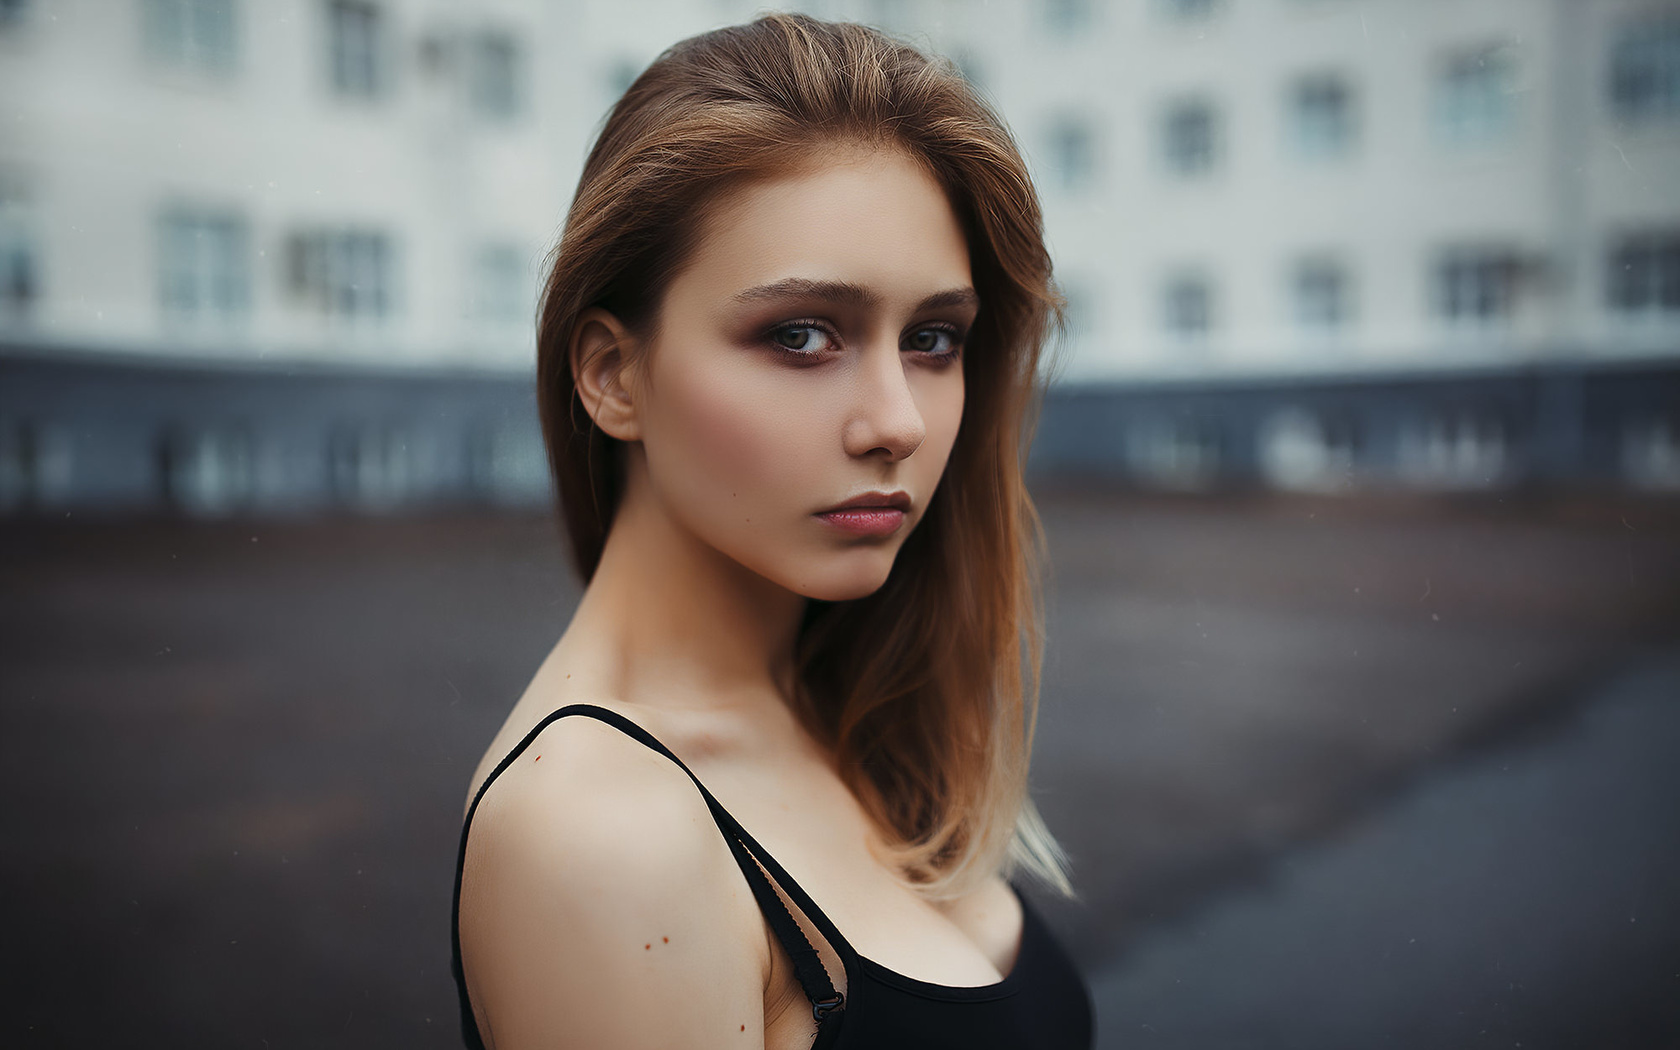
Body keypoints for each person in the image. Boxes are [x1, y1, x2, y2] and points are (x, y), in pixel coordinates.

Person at [450, 12, 1093, 1048]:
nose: (896, 420)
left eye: (933, 338)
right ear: (614, 375)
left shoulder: (848, 699)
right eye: (800, 335)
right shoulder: (601, 831)